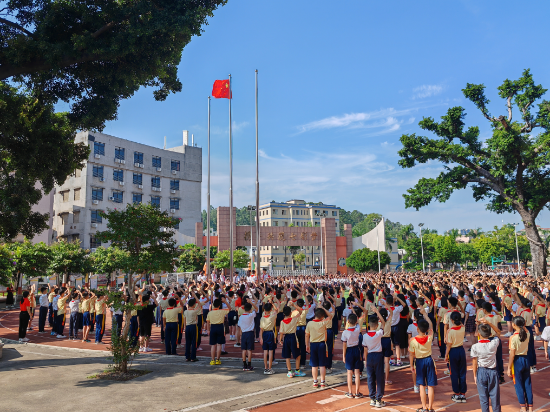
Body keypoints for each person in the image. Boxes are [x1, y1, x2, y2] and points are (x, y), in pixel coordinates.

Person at [409, 306, 436, 412]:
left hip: (419, 362)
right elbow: (431, 326)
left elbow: (411, 354)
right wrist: (425, 314)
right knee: (431, 385)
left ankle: (424, 407)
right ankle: (430, 407)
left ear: (417, 329)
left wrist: (411, 365)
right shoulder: (429, 337)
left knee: (421, 385)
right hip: (429, 361)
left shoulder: (413, 340)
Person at [471, 323, 501, 412]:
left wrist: (475, 375)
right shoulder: (493, 343)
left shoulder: (475, 346)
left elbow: (474, 362)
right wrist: (489, 323)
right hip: (492, 372)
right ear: (490, 334)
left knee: (483, 399)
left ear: (479, 334)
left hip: (481, 372)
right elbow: (498, 332)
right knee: (495, 398)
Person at [305, 303, 334, 388]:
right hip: (322, 345)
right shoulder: (323, 322)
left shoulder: (310, 323)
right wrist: (324, 309)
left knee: (314, 364)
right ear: (322, 317)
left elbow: (307, 335)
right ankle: (322, 382)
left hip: (313, 344)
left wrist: (307, 345)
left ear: (315, 315)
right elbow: (330, 316)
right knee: (322, 364)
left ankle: (315, 381)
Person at [508, 316, 533, 412]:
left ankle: (523, 407)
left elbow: (512, 355)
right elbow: (525, 329)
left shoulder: (513, 338)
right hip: (526, 359)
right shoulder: (528, 333)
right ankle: (530, 408)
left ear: (514, 325)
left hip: (517, 362)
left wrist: (509, 368)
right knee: (528, 384)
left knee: (518, 385)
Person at [362, 306, 387, 406]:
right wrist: (377, 311)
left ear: (368, 324)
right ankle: (379, 399)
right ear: (377, 325)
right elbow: (384, 323)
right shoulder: (378, 333)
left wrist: (365, 360)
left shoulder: (365, 336)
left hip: (369, 357)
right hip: (378, 356)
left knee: (370, 378)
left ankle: (372, 398)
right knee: (380, 377)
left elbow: (365, 349)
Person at [445, 311, 467, 403]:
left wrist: (446, 355)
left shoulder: (450, 331)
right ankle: (463, 394)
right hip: (461, 350)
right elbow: (461, 323)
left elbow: (449, 345)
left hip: (453, 351)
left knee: (454, 373)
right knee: (462, 372)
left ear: (452, 320)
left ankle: (457, 394)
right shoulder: (463, 327)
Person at [279, 302, 304, 377]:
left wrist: (280, 340)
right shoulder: (294, 319)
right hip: (293, 337)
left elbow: (281, 332)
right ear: (290, 313)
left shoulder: (282, 322)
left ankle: (289, 371)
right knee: (297, 355)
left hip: (286, 338)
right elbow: (300, 311)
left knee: (287, 356)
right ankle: (297, 370)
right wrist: (294, 305)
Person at [206, 297, 230, 365]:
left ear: (213, 305)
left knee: (213, 345)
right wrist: (225, 301)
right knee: (219, 344)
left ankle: (212, 360)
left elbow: (207, 322)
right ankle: (218, 359)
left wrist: (208, 330)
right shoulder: (222, 311)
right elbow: (230, 308)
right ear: (219, 305)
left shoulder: (210, 313)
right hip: (220, 327)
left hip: (213, 327)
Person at [239, 299, 258, 371]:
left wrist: (241, 335)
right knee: (249, 350)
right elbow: (256, 308)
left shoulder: (241, 317)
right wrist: (251, 303)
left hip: (244, 333)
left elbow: (240, 327)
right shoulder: (251, 315)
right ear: (250, 309)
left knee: (244, 349)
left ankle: (244, 365)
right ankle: (249, 365)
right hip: (250, 333)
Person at [260, 301, 277, 374]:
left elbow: (261, 329)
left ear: (264, 310)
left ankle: (266, 368)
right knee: (270, 352)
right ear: (270, 310)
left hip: (264, 334)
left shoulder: (262, 318)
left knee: (265, 352)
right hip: (270, 333)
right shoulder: (272, 316)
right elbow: (276, 310)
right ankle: (270, 368)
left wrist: (260, 338)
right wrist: (272, 303)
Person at [183, 296, 202, 361]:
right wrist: (196, 297)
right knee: (194, 342)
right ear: (194, 305)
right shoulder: (194, 311)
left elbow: (184, 320)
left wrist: (184, 328)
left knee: (188, 342)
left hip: (187, 327)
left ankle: (187, 356)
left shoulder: (185, 311)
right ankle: (193, 357)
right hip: (193, 326)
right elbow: (199, 304)